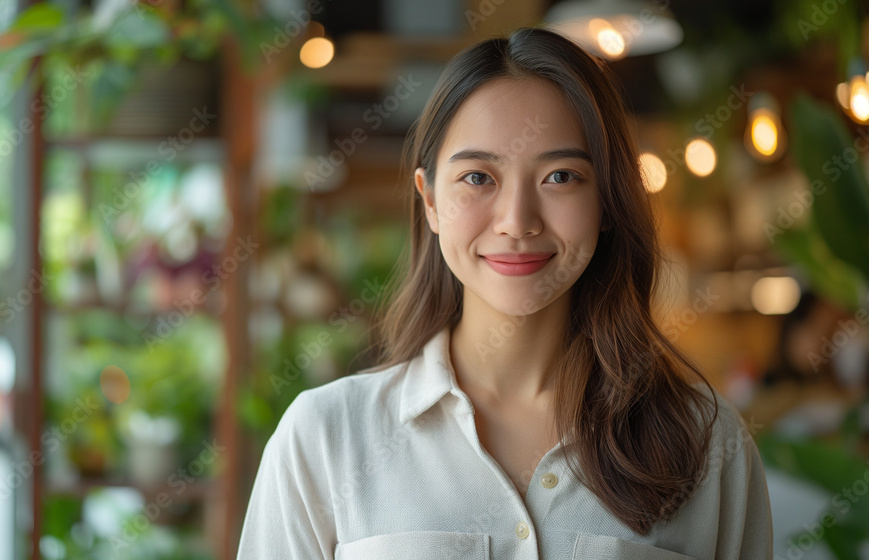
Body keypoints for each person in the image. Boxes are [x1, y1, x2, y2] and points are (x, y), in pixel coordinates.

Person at [237, 26, 772, 560]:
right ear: (429, 201)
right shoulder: (327, 438)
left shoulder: (707, 443)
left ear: (608, 200)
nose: (517, 222)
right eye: (478, 178)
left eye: (561, 176)